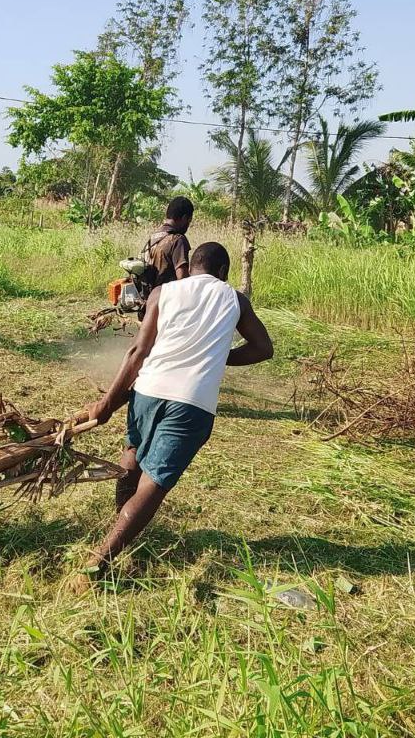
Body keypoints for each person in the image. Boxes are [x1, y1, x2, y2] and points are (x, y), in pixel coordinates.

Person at [74, 241, 274, 587]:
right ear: (223, 272)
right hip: (192, 403)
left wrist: (105, 405)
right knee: (152, 486)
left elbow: (137, 352)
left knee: (132, 459)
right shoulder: (235, 300)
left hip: (147, 391)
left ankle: (119, 524)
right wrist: (217, 355)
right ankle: (99, 562)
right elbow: (263, 348)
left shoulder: (162, 292)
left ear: (192, 267)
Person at [140, 196, 193, 296]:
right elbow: (183, 279)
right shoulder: (178, 240)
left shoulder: (153, 238)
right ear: (184, 218)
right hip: (167, 299)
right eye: (189, 221)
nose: (188, 225)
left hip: (150, 299)